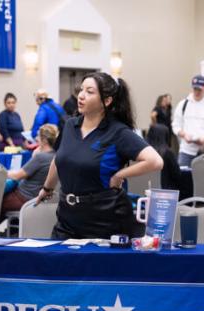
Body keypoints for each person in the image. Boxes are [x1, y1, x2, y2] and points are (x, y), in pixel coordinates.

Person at [37, 72, 163, 238]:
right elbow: (58, 160)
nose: (81, 95)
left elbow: (155, 161)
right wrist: (47, 188)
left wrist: (119, 175)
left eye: (90, 92)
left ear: (107, 101)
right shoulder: (69, 125)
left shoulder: (117, 132)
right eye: (81, 90)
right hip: (67, 217)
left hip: (105, 219)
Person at [2, 124, 58, 213]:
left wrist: (2, 173)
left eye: (38, 136)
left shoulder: (40, 157)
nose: (36, 139)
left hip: (24, 197)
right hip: (37, 198)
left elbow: (17, 176)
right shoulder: (55, 156)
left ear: (44, 140)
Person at [172, 75, 204, 167]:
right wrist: (184, 135)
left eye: (199, 89)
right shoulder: (183, 104)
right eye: (194, 89)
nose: (196, 92)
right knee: (183, 179)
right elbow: (176, 125)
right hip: (186, 151)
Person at [145, 124, 181, 190]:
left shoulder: (143, 153)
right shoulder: (167, 153)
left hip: (144, 190)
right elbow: (177, 175)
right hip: (165, 192)